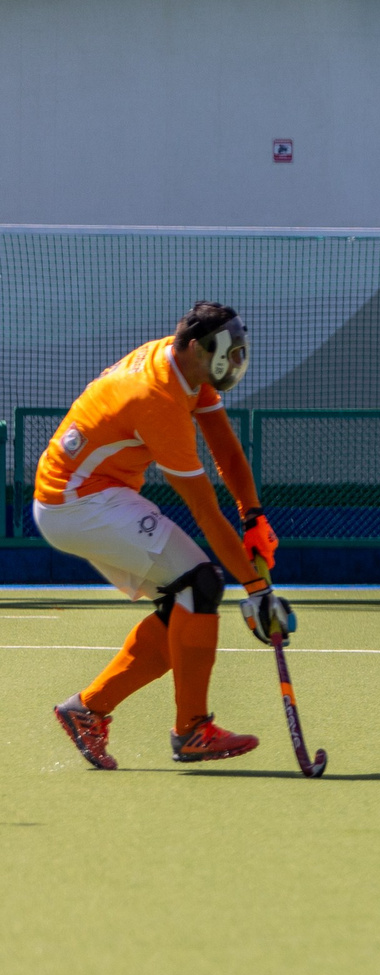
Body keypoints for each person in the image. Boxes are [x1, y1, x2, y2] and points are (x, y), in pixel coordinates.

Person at [37, 303, 295, 770]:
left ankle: (87, 710)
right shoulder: (156, 397)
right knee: (201, 582)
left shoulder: (184, 368)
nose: (235, 363)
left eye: (240, 353)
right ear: (197, 348)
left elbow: (226, 449)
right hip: (76, 502)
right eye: (227, 353)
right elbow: (203, 510)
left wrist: (253, 514)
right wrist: (258, 592)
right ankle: (193, 729)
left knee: (186, 603)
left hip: (94, 495)